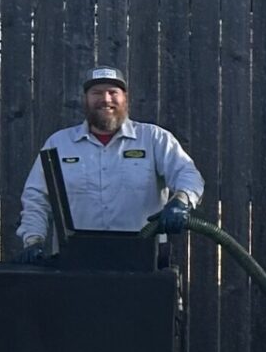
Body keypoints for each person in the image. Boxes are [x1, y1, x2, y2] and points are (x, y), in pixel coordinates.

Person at [17, 67, 204, 254]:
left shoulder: (155, 139)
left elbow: (187, 174)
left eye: (113, 92)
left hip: (143, 261)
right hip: (75, 262)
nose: (105, 99)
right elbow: (36, 197)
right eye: (96, 93)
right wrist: (33, 240)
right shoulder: (59, 143)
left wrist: (181, 200)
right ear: (85, 99)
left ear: (125, 98)